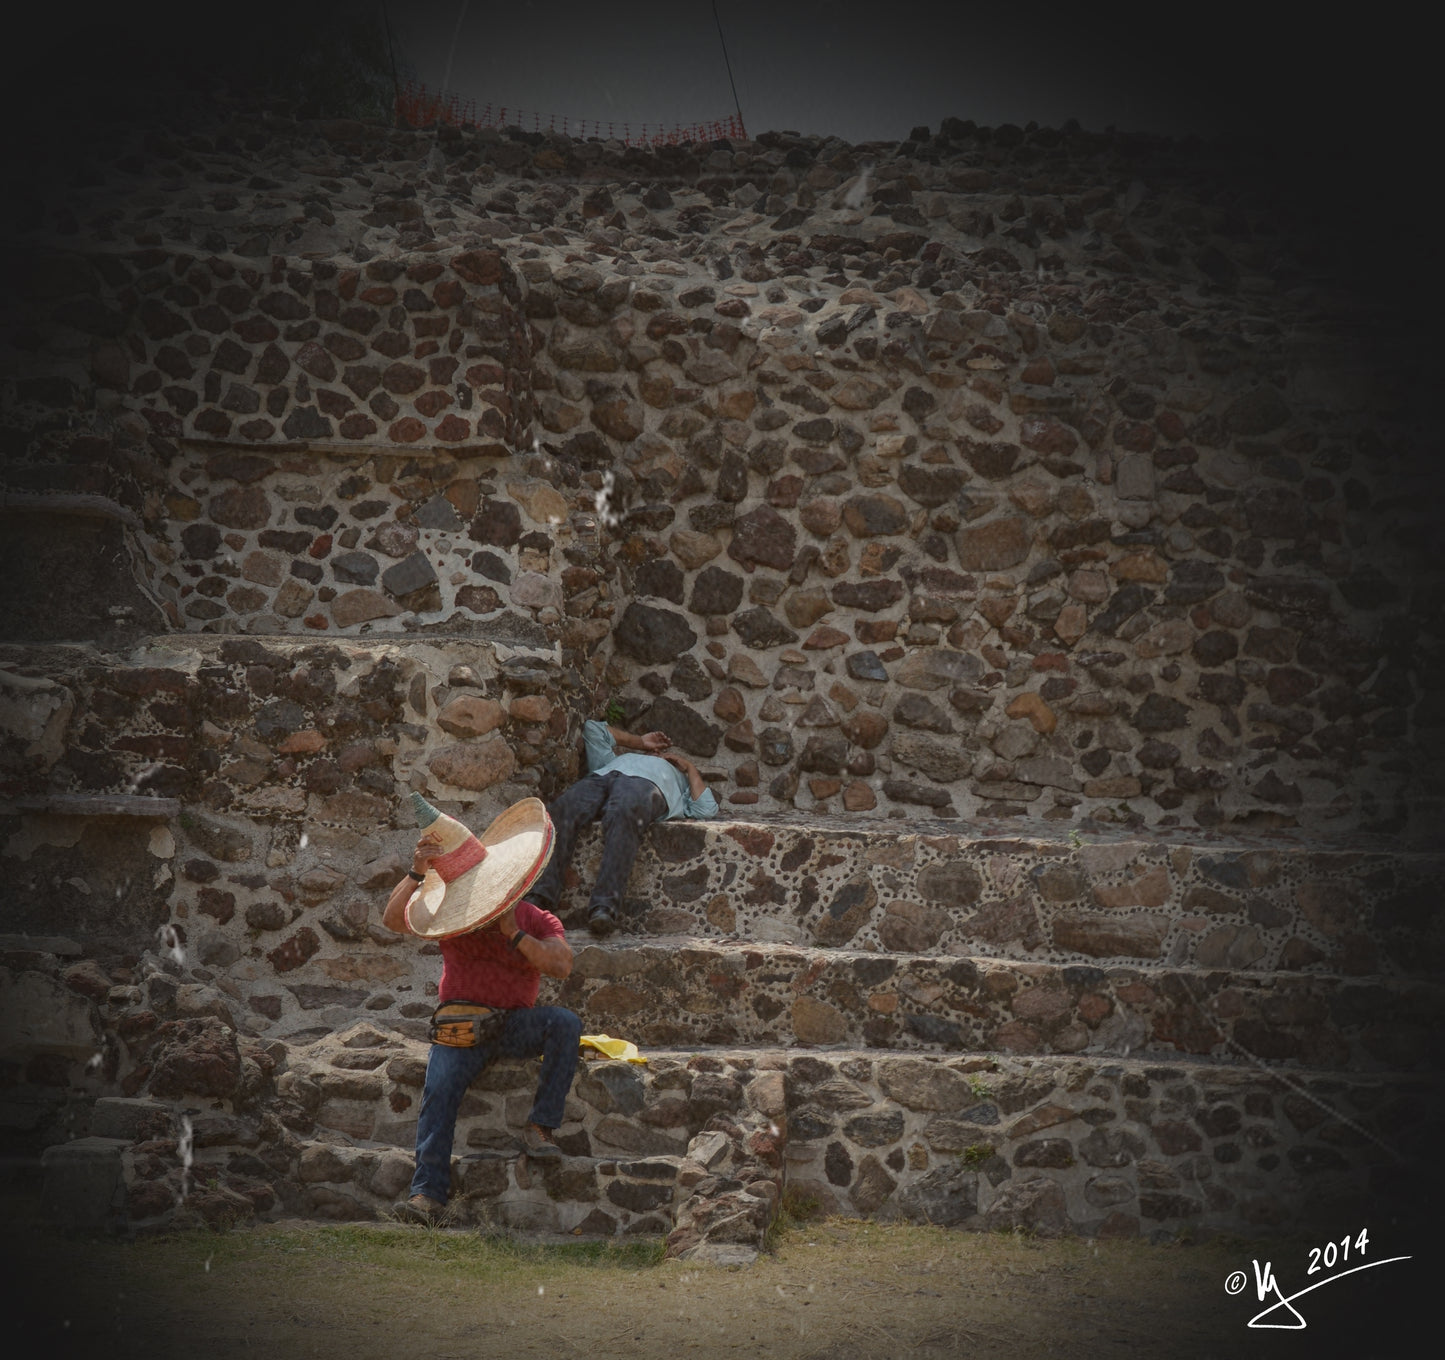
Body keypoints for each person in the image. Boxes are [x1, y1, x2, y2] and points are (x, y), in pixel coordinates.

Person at [382, 794, 581, 1225]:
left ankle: (539, 1127)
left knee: (564, 1023)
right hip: (461, 1024)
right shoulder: (456, 914)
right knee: (439, 1089)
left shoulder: (536, 918)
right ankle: (427, 1196)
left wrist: (513, 934)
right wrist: (417, 873)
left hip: (514, 1024)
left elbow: (562, 965)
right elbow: (395, 920)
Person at [526, 717, 718, 936]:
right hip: (602, 778)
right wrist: (640, 742)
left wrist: (689, 768)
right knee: (562, 808)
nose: (659, 755)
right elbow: (593, 729)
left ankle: (604, 907)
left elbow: (706, 809)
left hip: (646, 787)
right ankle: (540, 895)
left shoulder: (678, 781)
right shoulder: (613, 760)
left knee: (624, 811)